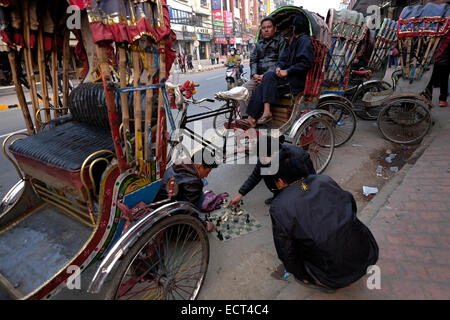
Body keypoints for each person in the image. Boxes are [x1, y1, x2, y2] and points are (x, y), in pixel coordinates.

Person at [269, 147, 379, 292]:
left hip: (333, 275)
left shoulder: (279, 206)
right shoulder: (324, 180)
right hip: (368, 253)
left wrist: (301, 275)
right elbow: (350, 205)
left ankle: (319, 280)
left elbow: (286, 252)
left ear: (280, 181)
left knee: (294, 247)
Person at [238, 14, 314, 128]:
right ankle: (250, 118)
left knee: (267, 77)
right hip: (277, 77)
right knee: (249, 88)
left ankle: (266, 112)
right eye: (264, 28)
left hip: (294, 81)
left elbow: (305, 63)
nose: (266, 30)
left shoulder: (304, 41)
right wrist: (276, 68)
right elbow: (283, 59)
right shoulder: (293, 42)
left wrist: (286, 71)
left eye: (293, 27)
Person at [228, 134, 316, 207]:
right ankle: (278, 195)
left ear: (275, 152)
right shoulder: (265, 158)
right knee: (265, 171)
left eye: (264, 157)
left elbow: (310, 180)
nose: (262, 160)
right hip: (284, 182)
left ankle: (291, 199)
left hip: (301, 183)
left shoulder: (297, 158)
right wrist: (240, 194)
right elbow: (255, 176)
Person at [239, 16, 287, 118]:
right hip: (258, 77)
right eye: (264, 27)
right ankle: (245, 117)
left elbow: (281, 61)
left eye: (269, 27)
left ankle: (255, 116)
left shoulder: (281, 41)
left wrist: (264, 76)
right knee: (243, 90)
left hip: (273, 77)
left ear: (274, 28)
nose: (266, 30)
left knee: (264, 84)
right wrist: (254, 74)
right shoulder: (259, 43)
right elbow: (253, 60)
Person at [154, 147, 219, 211]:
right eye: (207, 172)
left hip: (161, 203)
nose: (206, 176)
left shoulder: (179, 164)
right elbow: (188, 210)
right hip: (169, 211)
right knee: (201, 191)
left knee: (203, 183)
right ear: (199, 165)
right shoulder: (194, 182)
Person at [426, 31, 450, 107]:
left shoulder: (433, 35)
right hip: (445, 63)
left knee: (430, 80)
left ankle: (428, 99)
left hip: (433, 61)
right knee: (444, 81)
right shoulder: (447, 38)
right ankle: (442, 100)